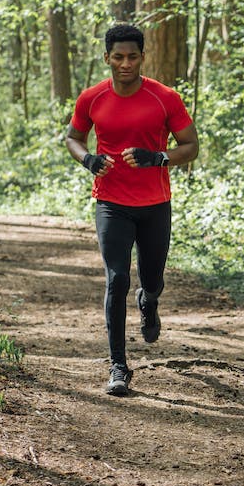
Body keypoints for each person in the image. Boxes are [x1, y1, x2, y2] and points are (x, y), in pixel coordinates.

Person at [65, 24, 199, 396]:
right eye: (118, 57)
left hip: (155, 204)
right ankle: (119, 366)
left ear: (143, 57)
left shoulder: (165, 98)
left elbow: (190, 146)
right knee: (116, 279)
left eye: (133, 56)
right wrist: (88, 160)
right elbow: (73, 137)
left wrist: (158, 157)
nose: (125, 64)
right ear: (106, 57)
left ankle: (150, 300)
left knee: (152, 278)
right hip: (111, 203)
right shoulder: (92, 98)